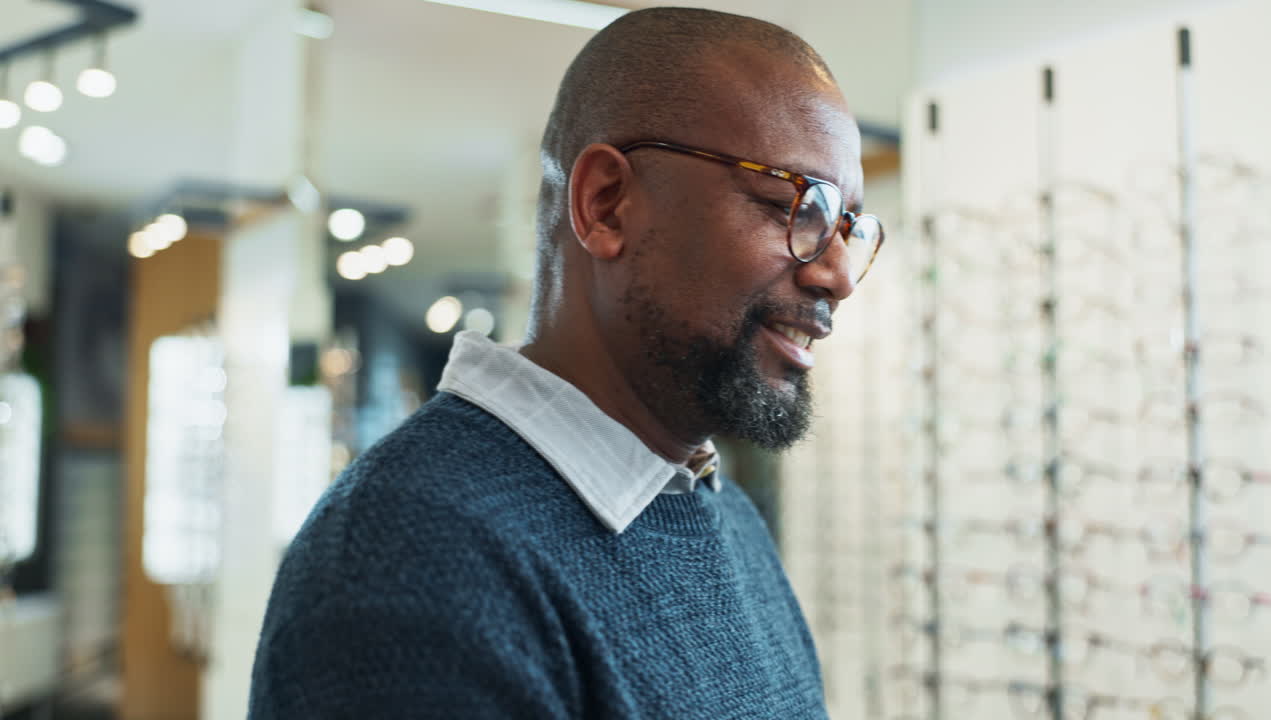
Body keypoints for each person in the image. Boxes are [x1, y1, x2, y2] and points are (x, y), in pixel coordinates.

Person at [249, 6, 884, 718]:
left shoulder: (722, 518)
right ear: (606, 204)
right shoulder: (409, 559)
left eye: (848, 228)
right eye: (794, 206)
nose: (839, 275)